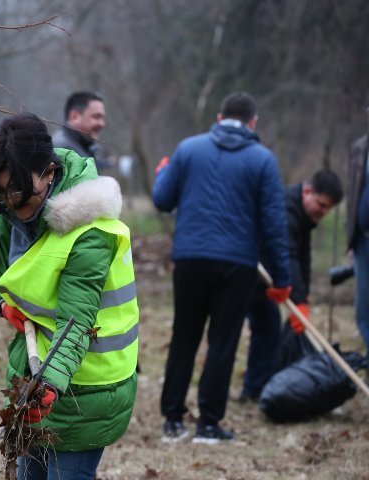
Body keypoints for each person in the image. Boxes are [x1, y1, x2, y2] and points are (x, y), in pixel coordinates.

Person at [0, 112, 139, 480]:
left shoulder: (90, 231)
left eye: (17, 190)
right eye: (0, 192)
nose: (10, 202)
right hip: (34, 373)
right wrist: (4, 304)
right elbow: (11, 274)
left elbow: (77, 320)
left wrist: (47, 386)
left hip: (86, 387)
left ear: (49, 173)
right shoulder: (6, 216)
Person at [152, 92, 291, 444]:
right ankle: (209, 426)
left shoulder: (187, 149)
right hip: (236, 264)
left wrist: (164, 172)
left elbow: (162, 199)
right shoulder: (263, 160)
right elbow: (274, 226)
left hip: (190, 259)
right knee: (223, 343)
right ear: (253, 122)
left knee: (184, 337)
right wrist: (283, 279)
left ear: (218, 118)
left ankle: (172, 421)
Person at [241, 170, 344, 401]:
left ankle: (255, 389)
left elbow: (302, 256)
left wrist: (303, 297)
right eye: (321, 204)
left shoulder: (304, 215)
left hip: (265, 279)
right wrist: (297, 298)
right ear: (307, 191)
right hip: (246, 271)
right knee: (229, 331)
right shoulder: (286, 207)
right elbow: (287, 253)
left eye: (328, 208)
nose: (324, 212)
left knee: (268, 328)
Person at [345, 102, 369, 354]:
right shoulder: (360, 149)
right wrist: (350, 238)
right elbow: (353, 194)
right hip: (363, 240)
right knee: (364, 308)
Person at [51, 91, 114, 172]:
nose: (102, 124)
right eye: (96, 117)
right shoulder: (62, 151)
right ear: (74, 117)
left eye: (102, 118)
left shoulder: (83, 146)